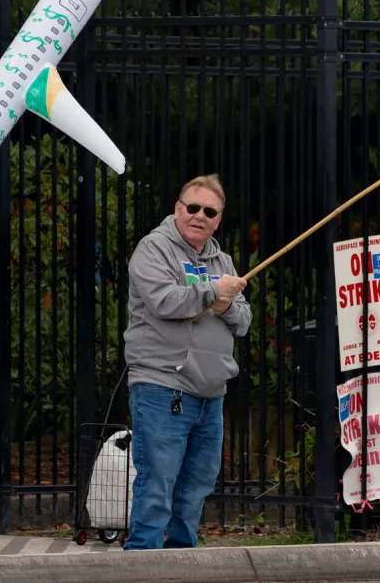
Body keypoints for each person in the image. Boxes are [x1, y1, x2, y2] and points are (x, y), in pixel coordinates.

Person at [121, 174, 252, 550]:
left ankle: (182, 562)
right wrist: (214, 290)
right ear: (178, 209)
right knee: (157, 484)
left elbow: (243, 322)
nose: (200, 216)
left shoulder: (222, 259)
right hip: (163, 388)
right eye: (192, 207)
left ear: (219, 218)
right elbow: (164, 301)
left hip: (211, 394)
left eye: (209, 211)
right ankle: (143, 566)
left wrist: (225, 303)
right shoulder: (153, 249)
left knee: (195, 488)